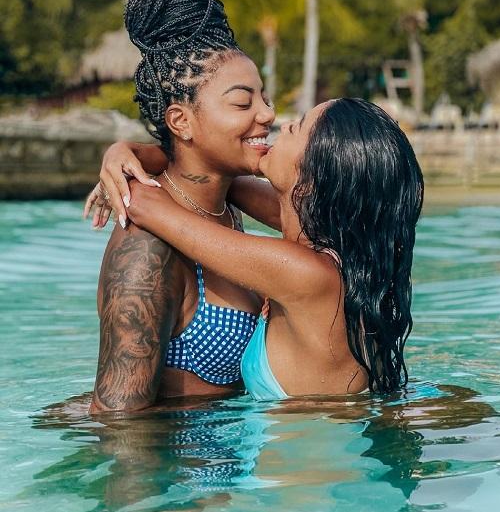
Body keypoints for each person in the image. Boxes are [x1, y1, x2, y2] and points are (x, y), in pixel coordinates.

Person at [103, 97, 424, 399]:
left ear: (310, 179)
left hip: (313, 459)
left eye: (296, 128)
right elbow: (207, 175)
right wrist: (126, 151)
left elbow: (145, 203)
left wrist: (119, 166)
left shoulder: (308, 274)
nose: (279, 124)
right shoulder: (330, 247)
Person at [87, 0, 276, 414]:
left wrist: (131, 150)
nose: (267, 114)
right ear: (181, 122)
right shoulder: (147, 248)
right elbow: (120, 424)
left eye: (263, 98)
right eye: (242, 103)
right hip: (184, 479)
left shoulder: (225, 206)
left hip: (234, 472)